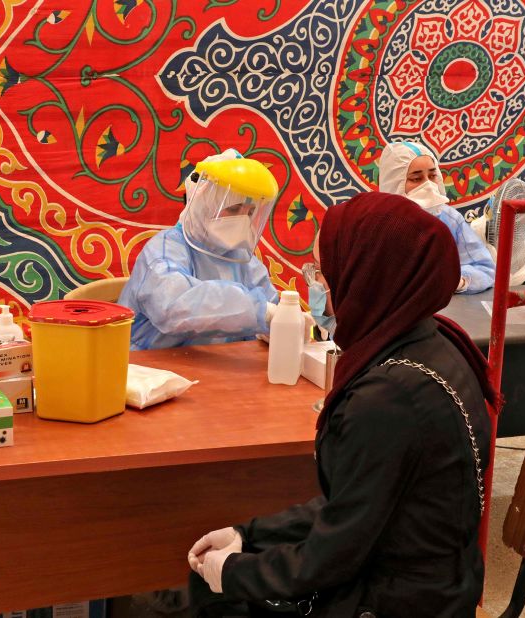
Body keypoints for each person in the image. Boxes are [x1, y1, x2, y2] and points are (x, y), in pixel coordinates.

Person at [187, 192, 498, 617]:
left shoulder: (390, 395)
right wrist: (249, 535)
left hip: (399, 602)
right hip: (435, 583)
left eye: (325, 274)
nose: (320, 287)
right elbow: (359, 502)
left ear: (367, 276)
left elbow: (335, 552)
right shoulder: (434, 341)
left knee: (208, 598)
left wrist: (234, 572)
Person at [118, 150, 281, 350]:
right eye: (233, 209)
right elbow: (174, 307)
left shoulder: (243, 260)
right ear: (202, 205)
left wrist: (285, 321)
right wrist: (258, 311)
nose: (242, 220)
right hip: (151, 372)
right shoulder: (163, 251)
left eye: (250, 212)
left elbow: (271, 304)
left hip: (219, 373)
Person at [379, 141, 496, 294]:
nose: (428, 184)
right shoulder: (377, 224)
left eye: (432, 175)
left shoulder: (450, 219)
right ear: (394, 182)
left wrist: (457, 281)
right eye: (416, 179)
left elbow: (485, 269)